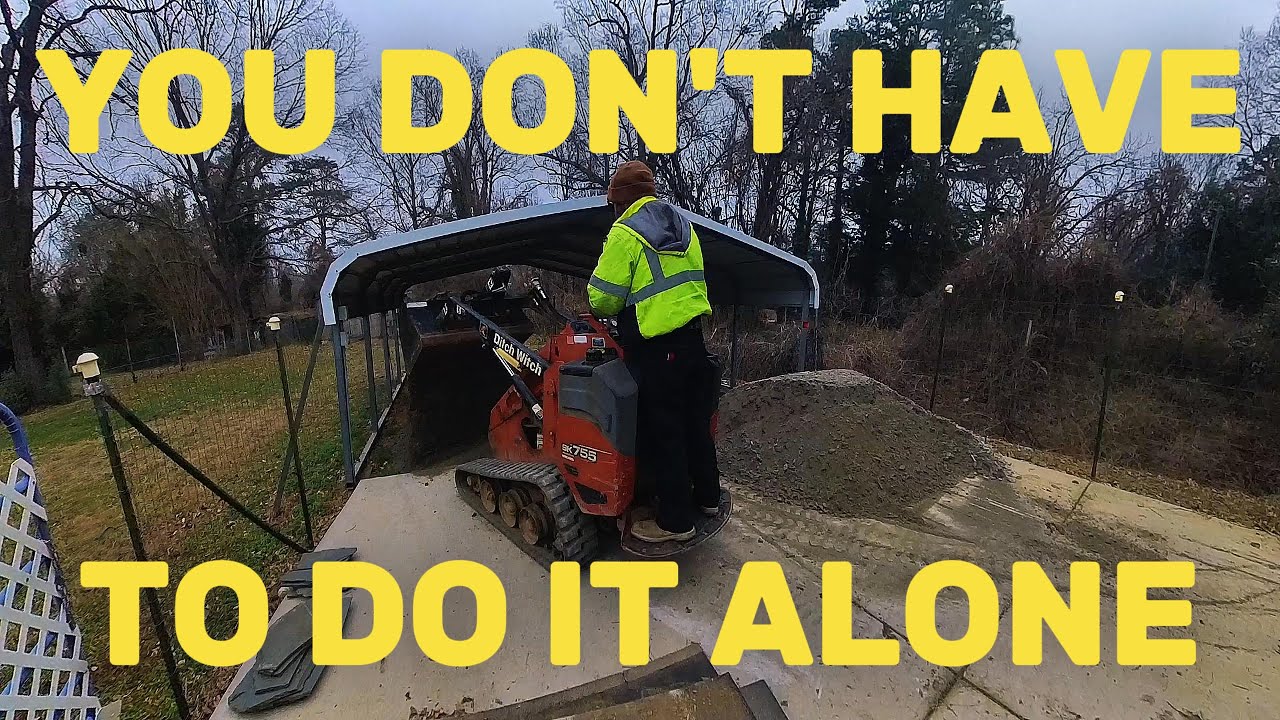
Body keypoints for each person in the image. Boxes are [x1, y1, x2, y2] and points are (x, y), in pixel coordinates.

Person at [587, 160, 723, 543]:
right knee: (695, 423)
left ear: (619, 200)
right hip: (694, 341)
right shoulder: (683, 226)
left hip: (657, 349)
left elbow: (602, 298)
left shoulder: (625, 233)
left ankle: (676, 522)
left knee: (665, 433)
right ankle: (709, 498)